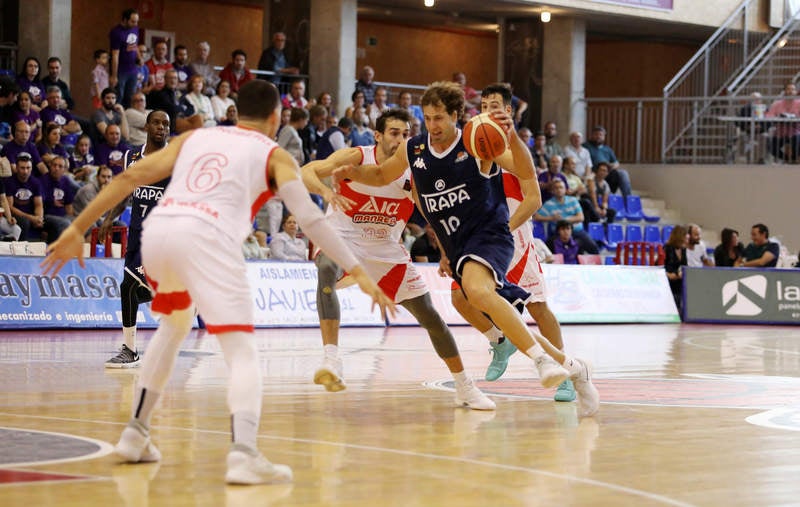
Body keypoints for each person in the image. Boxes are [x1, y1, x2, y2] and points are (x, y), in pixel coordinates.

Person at [41, 79, 395, 485]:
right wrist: (359, 270)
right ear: (276, 117)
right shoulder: (275, 155)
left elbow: (129, 177)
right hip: (207, 237)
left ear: (237, 111)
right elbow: (312, 219)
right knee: (242, 351)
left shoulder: (196, 137)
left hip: (159, 232)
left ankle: (135, 434)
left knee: (174, 327)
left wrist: (77, 228)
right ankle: (244, 454)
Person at [334, 81, 598, 417]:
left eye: (440, 118)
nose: (433, 125)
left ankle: (542, 361)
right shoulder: (415, 149)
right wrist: (347, 171)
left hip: (491, 233)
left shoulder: (475, 141)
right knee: (488, 304)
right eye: (428, 118)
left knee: (483, 292)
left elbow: (525, 171)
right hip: (457, 243)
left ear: (456, 115)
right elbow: (382, 175)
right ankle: (573, 368)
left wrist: (512, 136)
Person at [303, 107, 494, 409]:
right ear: (377, 135)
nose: (401, 139)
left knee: (430, 317)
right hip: (344, 238)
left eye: (406, 134)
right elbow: (307, 171)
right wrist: (326, 193)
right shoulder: (357, 157)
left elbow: (432, 214)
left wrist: (446, 253)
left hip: (386, 250)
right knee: (326, 267)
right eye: (394, 133)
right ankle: (331, 359)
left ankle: (464, 386)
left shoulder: (414, 171)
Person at [448, 84, 576, 402]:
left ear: (508, 111)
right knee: (460, 297)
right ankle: (499, 341)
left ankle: (566, 373)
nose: (489, 110)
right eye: (484, 105)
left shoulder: (517, 151)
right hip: (483, 235)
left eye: (495, 105)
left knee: (538, 308)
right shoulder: (473, 145)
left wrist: (505, 228)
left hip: (514, 236)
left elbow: (533, 200)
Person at [100, 110, 171, 368]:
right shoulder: (131, 157)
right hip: (136, 234)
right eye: (157, 123)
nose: (161, 127)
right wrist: (109, 219)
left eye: (166, 124)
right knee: (130, 289)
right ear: (147, 126)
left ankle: (130, 351)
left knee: (129, 285)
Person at [583, 125, 633, 198]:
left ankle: (628, 198)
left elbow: (616, 163)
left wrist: (611, 166)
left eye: (601, 135)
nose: (598, 136)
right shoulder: (586, 146)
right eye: (596, 134)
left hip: (607, 172)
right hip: (594, 172)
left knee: (623, 173)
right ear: (592, 135)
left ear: (604, 137)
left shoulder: (608, 149)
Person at [108, 8, 141, 108]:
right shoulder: (116, 32)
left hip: (133, 69)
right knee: (119, 97)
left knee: (131, 98)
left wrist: (139, 57)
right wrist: (114, 75)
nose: (135, 24)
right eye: (133, 21)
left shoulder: (135, 29)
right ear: (125, 20)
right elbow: (115, 55)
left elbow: (135, 45)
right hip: (121, 70)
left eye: (137, 21)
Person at [663, 225, 688, 310]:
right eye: (685, 237)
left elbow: (684, 265)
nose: (687, 239)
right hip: (668, 283)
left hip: (679, 283)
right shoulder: (667, 248)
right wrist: (668, 275)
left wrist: (681, 272)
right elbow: (659, 267)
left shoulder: (683, 250)